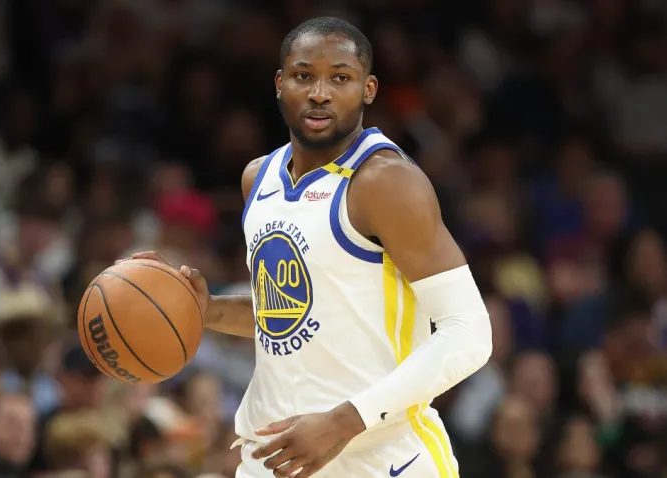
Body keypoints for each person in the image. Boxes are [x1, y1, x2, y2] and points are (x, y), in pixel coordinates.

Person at [126, 16, 493, 478]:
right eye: (304, 76)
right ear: (280, 84)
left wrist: (343, 421)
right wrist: (207, 309)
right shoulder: (258, 179)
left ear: (368, 89)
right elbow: (298, 317)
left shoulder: (385, 182)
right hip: (273, 455)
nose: (320, 92)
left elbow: (470, 333)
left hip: (380, 456)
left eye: (340, 78)